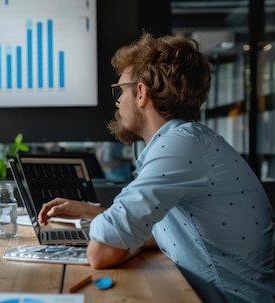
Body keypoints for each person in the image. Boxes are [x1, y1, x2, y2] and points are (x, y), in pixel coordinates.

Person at [38, 32, 274, 303]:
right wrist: (97, 213)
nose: (117, 102)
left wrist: (116, 234)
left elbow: (100, 253)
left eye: (121, 90)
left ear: (140, 93)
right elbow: (158, 233)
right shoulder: (192, 141)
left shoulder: (180, 145)